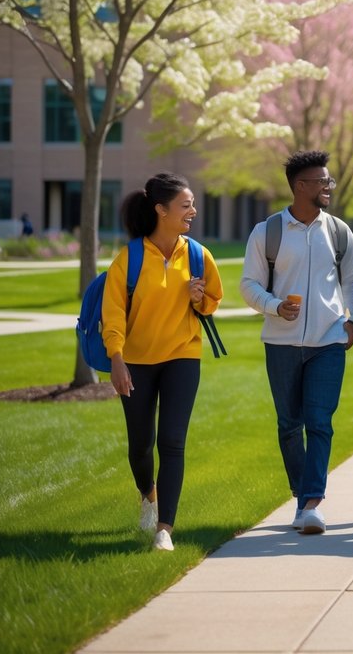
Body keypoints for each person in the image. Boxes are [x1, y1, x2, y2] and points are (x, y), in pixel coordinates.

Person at [240, 151, 353, 536]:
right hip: (280, 344)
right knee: (289, 425)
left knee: (320, 422)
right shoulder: (268, 232)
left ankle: (313, 503)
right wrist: (275, 306)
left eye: (329, 182)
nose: (328, 187)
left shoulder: (339, 231)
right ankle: (301, 497)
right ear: (299, 186)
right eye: (322, 182)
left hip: (328, 342)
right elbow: (249, 285)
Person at [102, 173, 223, 551]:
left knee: (172, 442)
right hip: (135, 361)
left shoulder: (200, 255)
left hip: (182, 356)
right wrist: (117, 360)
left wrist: (197, 297)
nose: (193, 211)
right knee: (141, 444)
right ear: (161, 210)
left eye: (192, 204)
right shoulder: (130, 258)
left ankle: (164, 530)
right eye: (185, 205)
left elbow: (212, 303)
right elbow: (114, 314)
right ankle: (147, 495)